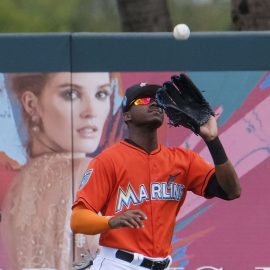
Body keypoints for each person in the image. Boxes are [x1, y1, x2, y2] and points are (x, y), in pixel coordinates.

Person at [70, 81, 242, 270]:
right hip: (119, 264)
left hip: (163, 264)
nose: (153, 103)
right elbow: (78, 220)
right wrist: (111, 221)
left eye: (158, 100)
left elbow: (231, 191)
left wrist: (212, 139)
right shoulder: (108, 161)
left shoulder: (183, 160)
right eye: (143, 100)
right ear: (127, 115)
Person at [1, 72, 120, 270]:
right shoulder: (91, 174)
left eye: (101, 94)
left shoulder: (16, 189)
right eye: (71, 94)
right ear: (31, 104)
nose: (91, 111)